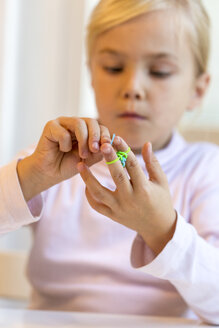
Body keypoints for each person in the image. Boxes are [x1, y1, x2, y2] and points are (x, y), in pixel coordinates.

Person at [0, 0, 219, 324]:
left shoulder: (206, 170)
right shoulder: (50, 158)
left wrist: (160, 229)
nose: (132, 88)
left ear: (197, 91)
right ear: (91, 74)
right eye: (114, 68)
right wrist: (29, 179)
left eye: (159, 71)